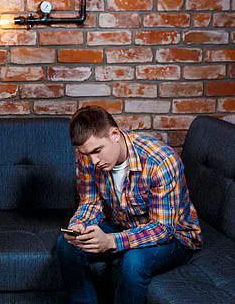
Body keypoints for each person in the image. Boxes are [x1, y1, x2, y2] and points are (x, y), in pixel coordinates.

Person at [56, 105, 202, 304]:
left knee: (133, 262)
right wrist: (78, 225)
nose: (94, 161)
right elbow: (90, 202)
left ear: (115, 135)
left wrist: (111, 241)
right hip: (125, 223)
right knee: (67, 245)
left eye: (97, 151)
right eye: (87, 154)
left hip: (175, 236)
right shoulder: (88, 156)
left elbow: (163, 229)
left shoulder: (161, 161)